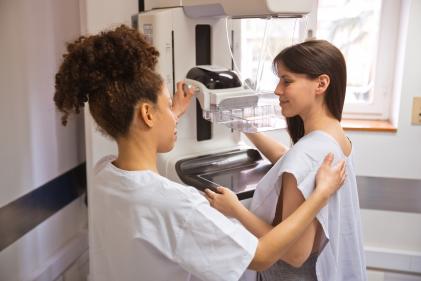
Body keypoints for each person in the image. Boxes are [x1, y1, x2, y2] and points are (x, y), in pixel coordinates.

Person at [54, 26, 346, 281]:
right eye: (167, 105)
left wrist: (171, 114)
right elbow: (262, 256)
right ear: (147, 115)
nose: (174, 111)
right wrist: (321, 194)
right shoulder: (179, 205)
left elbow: (139, 139)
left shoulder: (104, 173)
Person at [205, 40, 367, 281]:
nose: (278, 90)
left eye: (287, 81)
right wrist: (246, 127)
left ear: (321, 83)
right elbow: (289, 159)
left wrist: (235, 210)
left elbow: (294, 254)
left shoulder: (307, 152)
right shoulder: (336, 139)